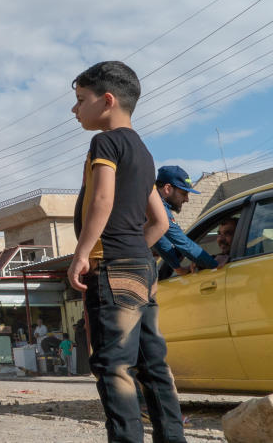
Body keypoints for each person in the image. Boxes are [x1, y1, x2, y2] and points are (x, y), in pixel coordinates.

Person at [66, 61, 184, 443]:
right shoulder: (144, 153)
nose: (75, 109)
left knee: (114, 367)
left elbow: (102, 198)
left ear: (108, 100)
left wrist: (83, 252)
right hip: (142, 268)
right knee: (153, 367)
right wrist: (135, 252)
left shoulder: (106, 142)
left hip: (112, 269)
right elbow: (160, 223)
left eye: (81, 100)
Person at [152, 165, 216, 275]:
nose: (187, 199)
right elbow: (184, 244)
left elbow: (159, 240)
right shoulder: (158, 208)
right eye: (184, 193)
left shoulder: (149, 201)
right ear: (167, 189)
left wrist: (177, 268)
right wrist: (215, 264)